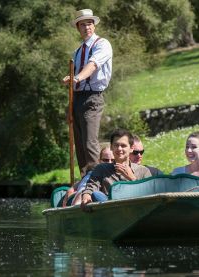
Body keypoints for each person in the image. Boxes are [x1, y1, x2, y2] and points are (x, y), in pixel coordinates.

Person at [62, 9, 113, 177]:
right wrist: (71, 79)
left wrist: (77, 78)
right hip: (77, 99)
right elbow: (78, 73)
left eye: (89, 23)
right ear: (78, 28)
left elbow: (92, 66)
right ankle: (85, 181)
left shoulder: (102, 44)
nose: (87, 27)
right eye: (83, 24)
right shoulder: (77, 52)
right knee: (80, 144)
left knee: (90, 143)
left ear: (94, 25)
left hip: (92, 97)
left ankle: (97, 184)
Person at [81, 129, 152, 210]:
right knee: (96, 195)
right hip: (110, 211)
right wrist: (86, 196)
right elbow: (91, 188)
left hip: (136, 209)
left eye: (123, 145)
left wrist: (132, 178)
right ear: (111, 147)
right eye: (116, 145)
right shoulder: (101, 169)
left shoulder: (143, 171)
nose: (119, 149)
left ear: (131, 148)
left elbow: (149, 195)